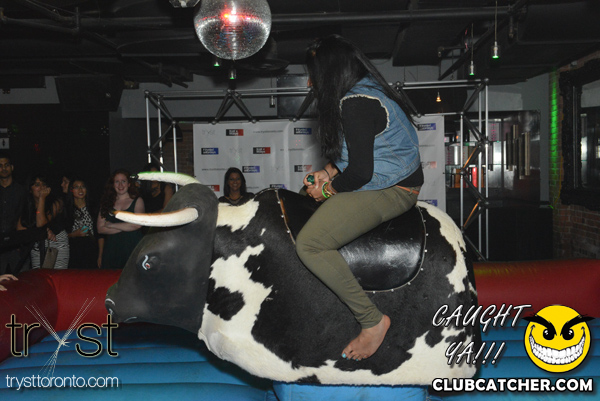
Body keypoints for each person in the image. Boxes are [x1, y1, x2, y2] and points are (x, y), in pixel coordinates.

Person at [295, 35, 424, 362]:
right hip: (388, 180)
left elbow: (361, 173)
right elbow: (361, 152)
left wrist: (327, 190)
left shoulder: (356, 103)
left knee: (310, 244)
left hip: (395, 190)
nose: (310, 82)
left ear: (330, 72)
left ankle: (372, 321)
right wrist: (328, 172)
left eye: (313, 74)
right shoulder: (363, 91)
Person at [17, 174, 70, 269]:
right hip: (37, 245)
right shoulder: (27, 206)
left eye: (44, 184)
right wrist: (41, 231)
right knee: (39, 275)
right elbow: (20, 230)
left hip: (56, 243)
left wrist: (42, 199)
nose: (41, 188)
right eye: (37, 185)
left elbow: (41, 223)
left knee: (56, 275)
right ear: (30, 189)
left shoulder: (56, 202)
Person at [97, 169, 145, 269]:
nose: (120, 185)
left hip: (132, 248)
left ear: (129, 184)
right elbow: (100, 228)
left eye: (123, 181)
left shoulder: (138, 200)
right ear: (113, 184)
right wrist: (127, 226)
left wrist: (111, 225)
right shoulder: (106, 202)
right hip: (112, 250)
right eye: (117, 181)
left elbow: (138, 224)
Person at [0, 152, 27, 275]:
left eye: (6, 165)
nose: (3, 168)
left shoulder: (21, 191)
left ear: (11, 167)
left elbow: (26, 215)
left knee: (22, 278)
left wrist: (21, 241)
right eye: (0, 166)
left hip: (16, 244)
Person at [65, 177, 99, 269]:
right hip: (74, 250)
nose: (80, 190)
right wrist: (74, 234)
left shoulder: (94, 208)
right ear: (71, 190)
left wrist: (100, 255)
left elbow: (100, 234)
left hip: (92, 248)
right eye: (76, 187)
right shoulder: (67, 210)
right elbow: (61, 234)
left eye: (83, 187)